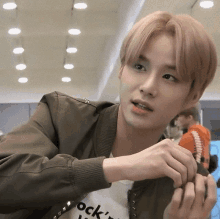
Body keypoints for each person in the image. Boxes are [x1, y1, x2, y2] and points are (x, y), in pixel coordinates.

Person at [0, 11, 218, 219]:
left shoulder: (186, 185)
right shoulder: (62, 116)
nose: (148, 87)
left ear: (193, 96)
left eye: (169, 76)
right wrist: (119, 167)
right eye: (139, 66)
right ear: (122, 70)